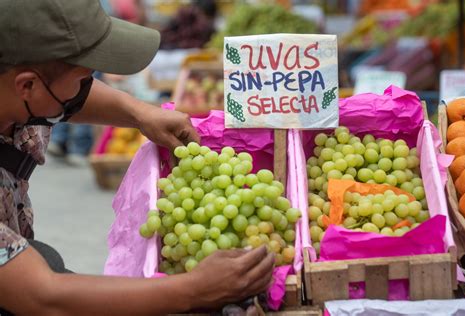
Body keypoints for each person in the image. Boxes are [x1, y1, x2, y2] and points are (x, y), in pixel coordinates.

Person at [0, 1, 274, 315]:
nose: (85, 88)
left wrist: (139, 114)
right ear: (28, 85)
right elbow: (44, 298)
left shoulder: (23, 94)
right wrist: (193, 289)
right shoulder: (34, 92)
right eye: (84, 77)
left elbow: (69, 93)